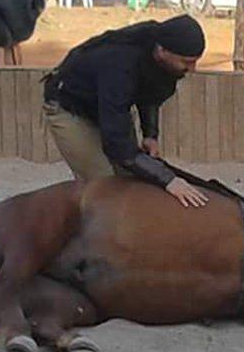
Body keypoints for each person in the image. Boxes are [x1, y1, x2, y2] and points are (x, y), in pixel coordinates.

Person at [42, 14, 209, 208]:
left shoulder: (160, 55)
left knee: (131, 176)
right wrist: (168, 180)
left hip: (104, 105)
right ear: (162, 51)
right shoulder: (119, 63)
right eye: (186, 62)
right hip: (69, 107)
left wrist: (150, 135)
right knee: (104, 183)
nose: (193, 69)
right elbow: (119, 146)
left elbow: (149, 94)